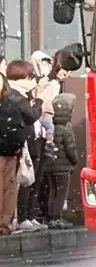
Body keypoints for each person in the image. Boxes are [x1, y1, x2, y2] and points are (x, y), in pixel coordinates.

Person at [6, 59, 46, 230]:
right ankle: (21, 218)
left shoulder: (22, 95)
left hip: (34, 140)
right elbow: (30, 116)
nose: (33, 82)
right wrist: (39, 103)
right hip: (22, 143)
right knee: (24, 180)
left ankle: (30, 215)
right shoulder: (14, 96)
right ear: (22, 78)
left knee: (33, 179)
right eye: (31, 78)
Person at [0, 67, 39, 235]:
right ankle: (6, 224)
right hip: (10, 148)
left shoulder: (12, 98)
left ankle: (6, 224)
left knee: (8, 188)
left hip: (10, 150)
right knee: (8, 188)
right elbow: (30, 116)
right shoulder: (16, 98)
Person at [41, 94, 78, 229]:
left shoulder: (49, 125)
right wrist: (75, 161)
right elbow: (71, 148)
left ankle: (50, 217)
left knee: (52, 191)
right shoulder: (66, 127)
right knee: (61, 192)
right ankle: (57, 218)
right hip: (63, 167)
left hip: (49, 165)